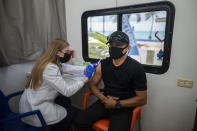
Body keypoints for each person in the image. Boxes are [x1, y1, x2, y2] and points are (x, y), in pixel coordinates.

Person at [75, 31, 147, 131]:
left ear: (127, 48)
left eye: (118, 45)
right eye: (111, 45)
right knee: (79, 122)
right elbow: (92, 85)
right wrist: (104, 99)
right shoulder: (103, 64)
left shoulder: (136, 68)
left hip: (124, 107)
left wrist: (117, 104)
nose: (113, 48)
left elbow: (142, 99)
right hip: (105, 101)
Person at [19, 39, 96, 131]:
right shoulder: (50, 68)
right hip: (35, 110)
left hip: (29, 103)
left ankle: (62, 124)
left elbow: (66, 67)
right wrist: (84, 79)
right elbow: (67, 91)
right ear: (57, 52)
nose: (69, 54)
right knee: (72, 112)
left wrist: (87, 67)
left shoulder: (45, 62)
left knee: (64, 100)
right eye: (66, 51)